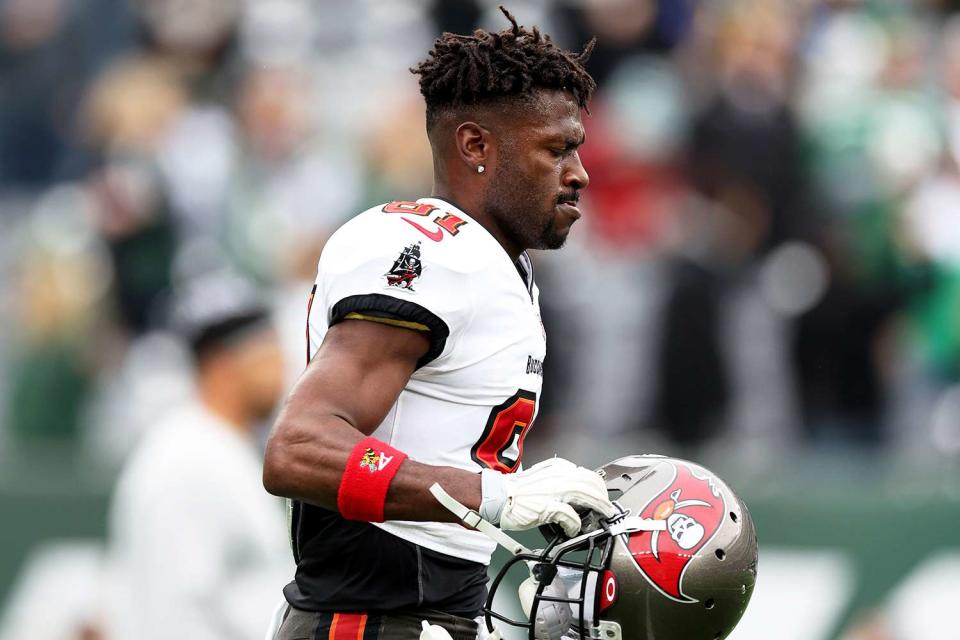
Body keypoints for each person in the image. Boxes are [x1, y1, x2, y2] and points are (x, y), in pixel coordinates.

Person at [262, 8, 614, 640]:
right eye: (556, 150)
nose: (578, 173)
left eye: (577, 149)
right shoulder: (432, 256)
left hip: (426, 615)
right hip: (367, 619)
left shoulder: (493, 261)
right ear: (476, 146)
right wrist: (493, 497)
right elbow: (298, 449)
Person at [108, 277, 291, 640]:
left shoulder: (221, 446)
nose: (282, 368)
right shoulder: (186, 460)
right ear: (222, 363)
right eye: (267, 351)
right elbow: (175, 615)